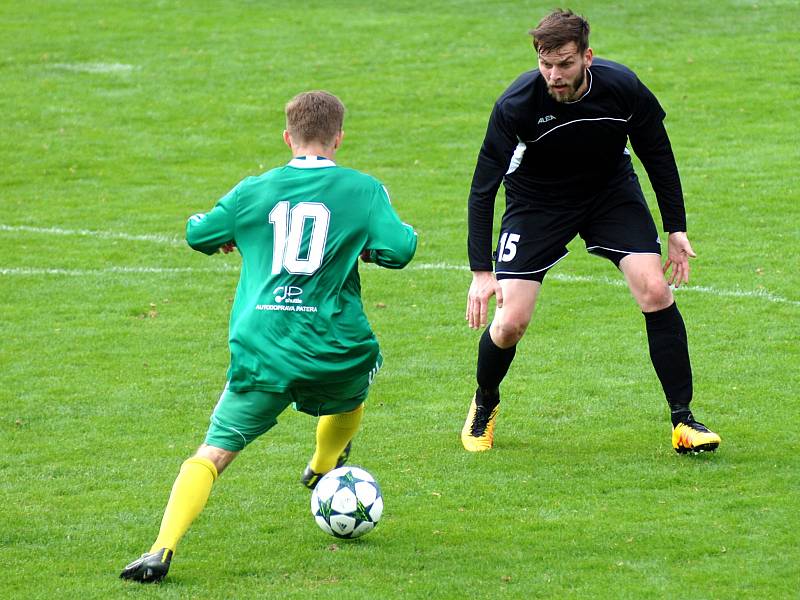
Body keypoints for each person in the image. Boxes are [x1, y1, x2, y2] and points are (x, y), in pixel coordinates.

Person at [120, 91, 417, 583]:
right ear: (338, 139)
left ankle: (160, 549)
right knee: (353, 389)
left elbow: (198, 233)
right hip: (333, 348)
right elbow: (401, 247)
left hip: (263, 346)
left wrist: (229, 231)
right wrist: (370, 251)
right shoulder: (363, 189)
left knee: (213, 453)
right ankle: (323, 464)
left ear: (287, 137)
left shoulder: (252, 191)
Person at [461, 9, 721, 455]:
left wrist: (675, 229)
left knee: (655, 291)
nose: (554, 75)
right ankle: (485, 402)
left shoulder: (621, 87)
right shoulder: (517, 105)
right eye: (546, 63)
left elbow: (657, 153)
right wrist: (481, 271)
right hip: (536, 204)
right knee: (510, 324)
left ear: (588, 57)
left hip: (609, 193)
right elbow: (483, 187)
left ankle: (683, 421)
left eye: (565, 63)